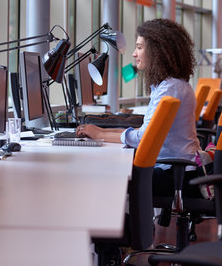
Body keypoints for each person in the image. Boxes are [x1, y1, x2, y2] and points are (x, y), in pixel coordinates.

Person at [77, 18, 200, 197]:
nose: (134, 54)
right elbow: (146, 132)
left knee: (105, 173)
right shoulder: (172, 85)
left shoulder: (169, 89)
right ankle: (130, 224)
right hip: (176, 170)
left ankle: (127, 225)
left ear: (157, 51)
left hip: (174, 176)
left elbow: (144, 138)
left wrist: (100, 134)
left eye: (139, 47)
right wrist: (102, 132)